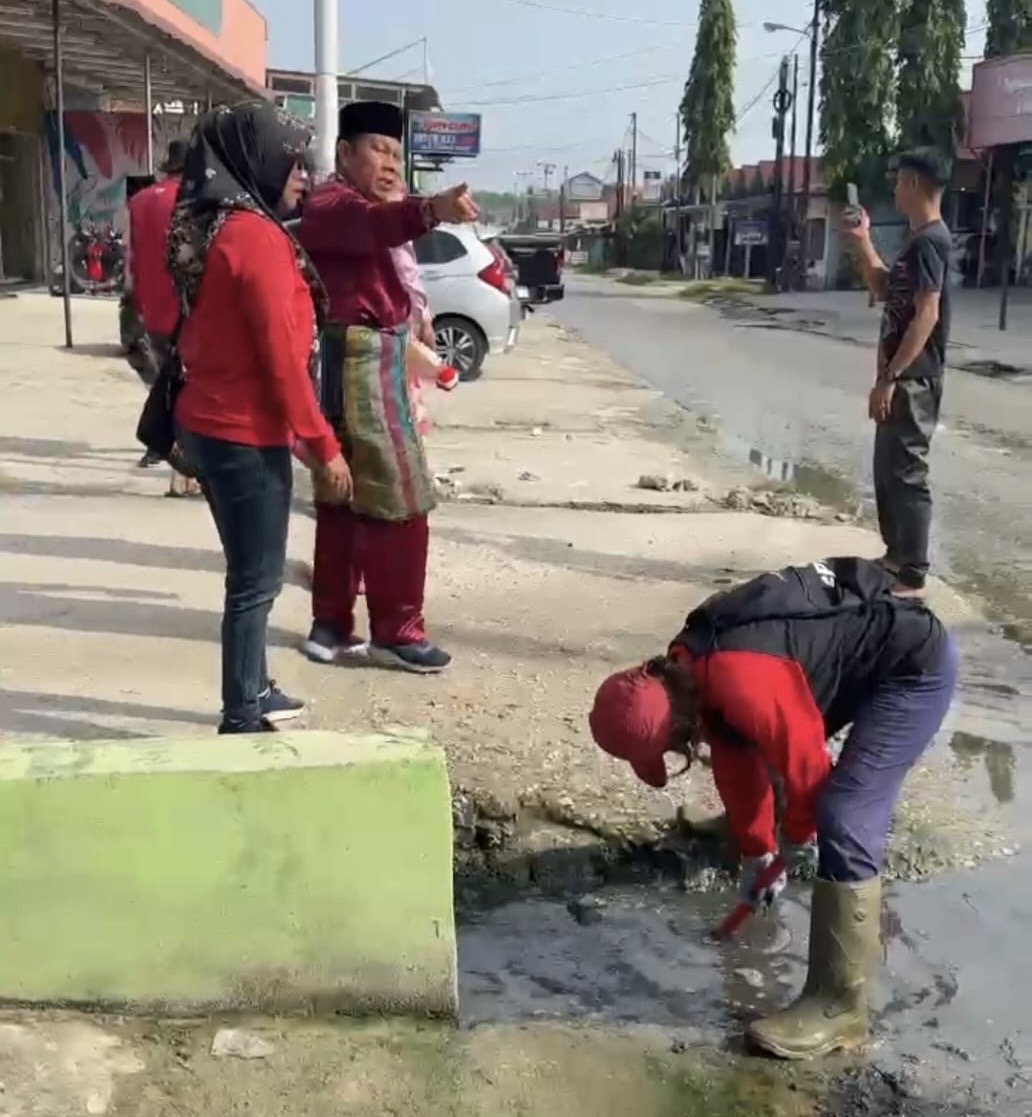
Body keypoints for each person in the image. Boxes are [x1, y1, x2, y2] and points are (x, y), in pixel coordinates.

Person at [587, 556, 958, 1060]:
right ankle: (841, 899)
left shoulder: (744, 678)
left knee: (843, 813)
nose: (674, 757)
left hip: (910, 671)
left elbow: (808, 774)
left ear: (675, 724)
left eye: (668, 750)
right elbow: (736, 757)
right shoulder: (689, 664)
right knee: (779, 782)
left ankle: (840, 1007)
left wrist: (795, 836)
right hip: (841, 668)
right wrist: (756, 851)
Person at [169, 103, 350, 734]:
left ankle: (253, 686)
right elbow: (281, 359)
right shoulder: (257, 238)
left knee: (250, 573)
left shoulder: (214, 223)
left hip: (210, 421)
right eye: (292, 162)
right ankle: (242, 709)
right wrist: (323, 447)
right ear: (258, 161)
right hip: (241, 431)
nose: (301, 175)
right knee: (256, 580)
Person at [296, 100, 478, 674]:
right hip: (360, 359)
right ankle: (397, 629)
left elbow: (390, 247)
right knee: (403, 499)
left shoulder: (365, 205)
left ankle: (331, 624)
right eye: (379, 149)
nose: (391, 163)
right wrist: (432, 210)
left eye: (398, 153)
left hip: (366, 355)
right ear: (345, 153)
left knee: (344, 496)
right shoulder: (332, 203)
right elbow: (377, 227)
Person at [845, 149, 953, 596]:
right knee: (887, 467)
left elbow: (926, 314)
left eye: (897, 182)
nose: (893, 190)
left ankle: (913, 571)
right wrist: (861, 238)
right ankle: (895, 556)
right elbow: (884, 288)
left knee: (907, 470)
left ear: (912, 183)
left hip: (914, 375)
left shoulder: (932, 241)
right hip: (898, 374)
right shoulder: (917, 241)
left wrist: (890, 377)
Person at [126, 139, 199, 494]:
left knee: (169, 382)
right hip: (186, 311)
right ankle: (181, 469)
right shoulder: (194, 203)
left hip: (151, 309)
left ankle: (163, 447)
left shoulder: (139, 201)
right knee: (185, 390)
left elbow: (133, 259)